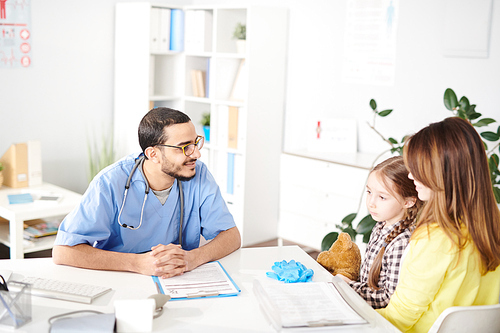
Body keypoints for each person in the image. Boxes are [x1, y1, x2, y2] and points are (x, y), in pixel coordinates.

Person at [53, 107, 241, 279]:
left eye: (195, 143)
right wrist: (137, 263)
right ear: (153, 154)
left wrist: (192, 258)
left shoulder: (198, 174)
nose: (196, 154)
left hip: (177, 278)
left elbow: (231, 236)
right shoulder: (110, 182)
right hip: (121, 277)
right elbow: (63, 251)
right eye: (184, 147)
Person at [377, 117, 500, 332]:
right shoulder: (492, 226)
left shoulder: (435, 238)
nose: (410, 175)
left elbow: (398, 319)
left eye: (418, 168)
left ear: (442, 174)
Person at [337, 156, 422, 309]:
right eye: (369, 192)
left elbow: (387, 298)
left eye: (382, 197)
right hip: (360, 303)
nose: (371, 202)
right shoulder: (381, 225)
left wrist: (348, 286)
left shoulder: (401, 243)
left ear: (408, 202)